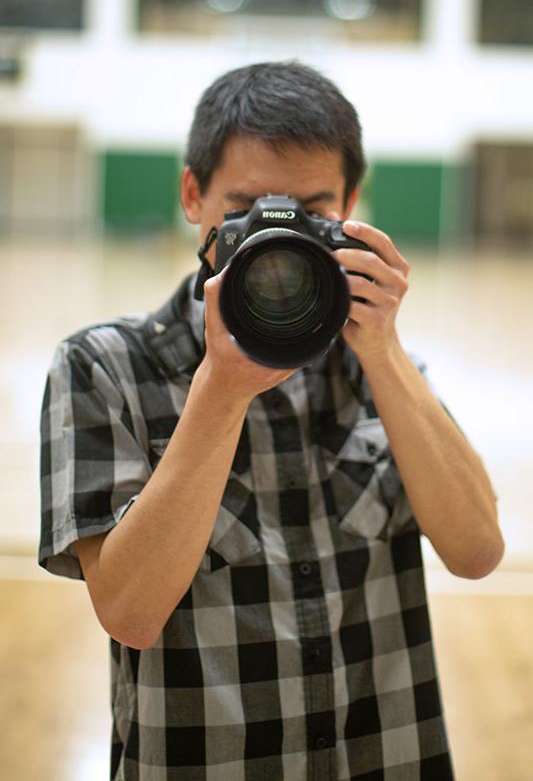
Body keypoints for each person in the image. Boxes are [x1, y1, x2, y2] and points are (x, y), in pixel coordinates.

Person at [39, 62, 503, 781]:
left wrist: (381, 349)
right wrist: (220, 391)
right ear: (193, 196)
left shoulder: (375, 367)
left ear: (352, 201)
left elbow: (476, 551)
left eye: (311, 210)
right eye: (246, 207)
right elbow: (129, 612)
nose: (276, 241)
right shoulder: (106, 368)